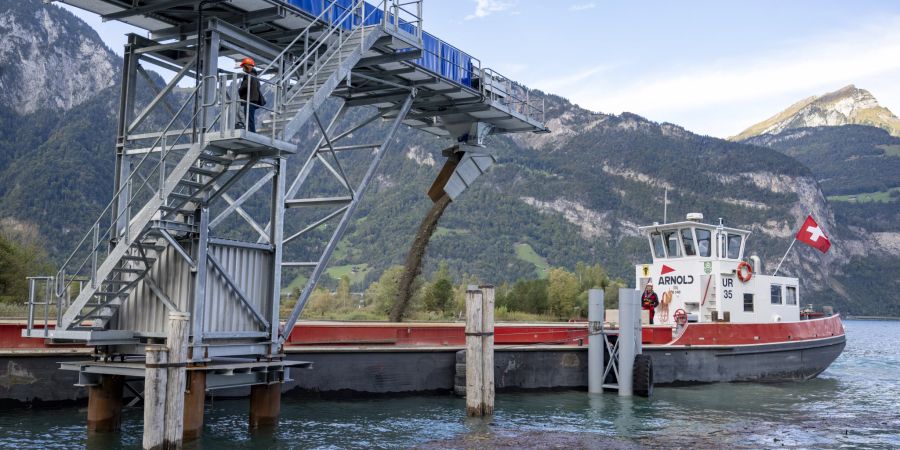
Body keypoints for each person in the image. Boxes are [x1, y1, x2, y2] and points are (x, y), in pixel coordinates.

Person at [237, 57, 263, 133]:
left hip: (250, 100)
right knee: (250, 118)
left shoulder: (248, 76)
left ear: (247, 66)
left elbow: (244, 87)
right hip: (254, 100)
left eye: (243, 67)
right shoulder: (255, 76)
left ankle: (251, 132)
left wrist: (240, 90)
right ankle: (250, 131)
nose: (243, 69)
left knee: (249, 118)